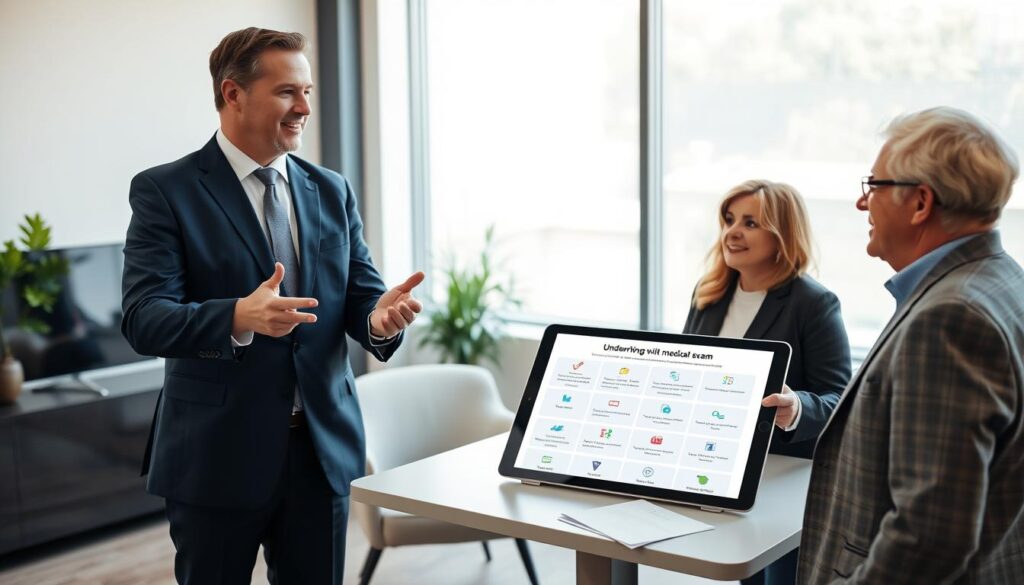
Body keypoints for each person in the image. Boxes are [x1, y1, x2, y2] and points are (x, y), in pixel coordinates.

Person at [121, 28, 423, 584]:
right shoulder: (166, 191)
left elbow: (361, 296)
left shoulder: (330, 189)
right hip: (216, 456)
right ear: (233, 94)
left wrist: (379, 321)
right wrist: (238, 316)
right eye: (288, 92)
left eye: (307, 91)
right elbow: (145, 317)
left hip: (320, 454)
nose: (304, 107)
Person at [797, 107, 1024, 583]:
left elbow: (930, 533)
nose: (862, 205)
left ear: (920, 203)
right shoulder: (1001, 282)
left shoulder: (950, 317)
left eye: (873, 187)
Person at [683, 180, 851, 585]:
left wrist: (797, 409)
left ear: (781, 235)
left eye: (750, 222)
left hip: (783, 476)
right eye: (728, 220)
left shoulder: (813, 304)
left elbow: (841, 400)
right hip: (715, 466)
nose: (732, 232)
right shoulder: (708, 295)